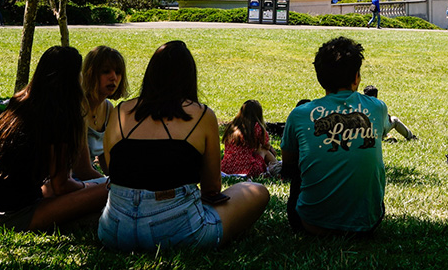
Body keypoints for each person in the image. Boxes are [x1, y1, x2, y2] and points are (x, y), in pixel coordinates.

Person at [98, 41, 268, 251]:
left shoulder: (120, 112)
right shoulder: (202, 115)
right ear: (189, 77)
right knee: (257, 191)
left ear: (151, 74)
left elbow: (113, 170)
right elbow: (212, 187)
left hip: (114, 231)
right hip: (179, 231)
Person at [0, 46, 108, 231]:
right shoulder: (59, 116)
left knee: (101, 185)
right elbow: (61, 185)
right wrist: (87, 186)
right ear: (73, 79)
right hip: (15, 216)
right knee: (112, 189)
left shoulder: (21, 102)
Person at [281, 36, 387, 235]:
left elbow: (288, 163)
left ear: (320, 77)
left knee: (298, 165)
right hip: (367, 225)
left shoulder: (300, 114)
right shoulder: (377, 108)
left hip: (310, 225)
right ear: (357, 77)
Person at [77, 45, 129, 177]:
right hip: (69, 183)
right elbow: (82, 170)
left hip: (87, 181)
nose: (114, 78)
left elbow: (106, 160)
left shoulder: (108, 108)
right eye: (106, 71)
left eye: (118, 72)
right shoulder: (78, 109)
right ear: (90, 74)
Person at [221, 99, 280, 177]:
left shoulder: (232, 127)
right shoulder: (257, 127)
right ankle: (278, 169)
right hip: (249, 169)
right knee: (264, 150)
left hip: (227, 167)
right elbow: (267, 146)